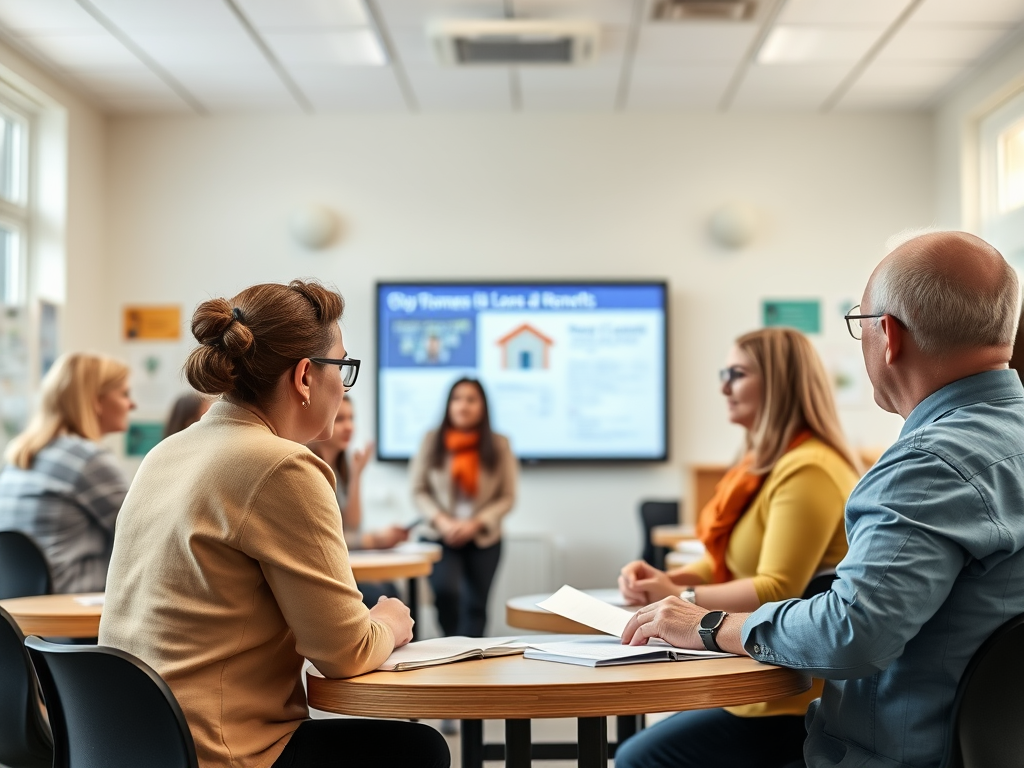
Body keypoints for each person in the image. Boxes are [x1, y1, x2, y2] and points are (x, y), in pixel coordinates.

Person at [621, 231, 1024, 768]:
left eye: (859, 324)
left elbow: (851, 633)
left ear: (887, 336)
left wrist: (707, 623)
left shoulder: (927, 466)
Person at [99, 280, 449, 768]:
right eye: (343, 367)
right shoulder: (282, 466)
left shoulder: (167, 452)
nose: (343, 386)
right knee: (419, 750)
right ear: (305, 376)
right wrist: (389, 621)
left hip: (123, 744)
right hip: (217, 752)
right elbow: (345, 652)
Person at [615, 327, 860, 768]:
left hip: (789, 698)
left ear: (779, 383)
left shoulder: (810, 469)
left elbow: (777, 588)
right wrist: (668, 582)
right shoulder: (759, 464)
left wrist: (683, 601)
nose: (723, 387)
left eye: (737, 373)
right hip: (753, 677)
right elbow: (727, 561)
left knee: (636, 758)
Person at [0, 352, 133, 593]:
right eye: (124, 394)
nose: (132, 405)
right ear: (96, 401)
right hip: (70, 611)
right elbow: (142, 533)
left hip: (17, 614)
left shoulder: (20, 455)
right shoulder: (88, 460)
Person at [411, 378, 517, 638]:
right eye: (457, 399)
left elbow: (507, 496)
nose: (463, 406)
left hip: (483, 537)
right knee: (446, 595)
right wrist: (443, 522)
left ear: (482, 406)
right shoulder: (432, 440)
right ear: (449, 405)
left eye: (471, 399)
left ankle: (473, 667)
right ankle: (451, 651)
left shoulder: (499, 444)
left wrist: (475, 523)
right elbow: (418, 490)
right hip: (440, 536)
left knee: (476, 607)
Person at [308, 396, 409, 606]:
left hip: (341, 565)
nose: (349, 427)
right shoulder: (310, 469)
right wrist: (374, 540)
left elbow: (352, 526)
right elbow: (328, 538)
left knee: (391, 590)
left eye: (352, 418)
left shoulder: (341, 467)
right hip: (324, 573)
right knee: (386, 596)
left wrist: (356, 476)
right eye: (340, 419)